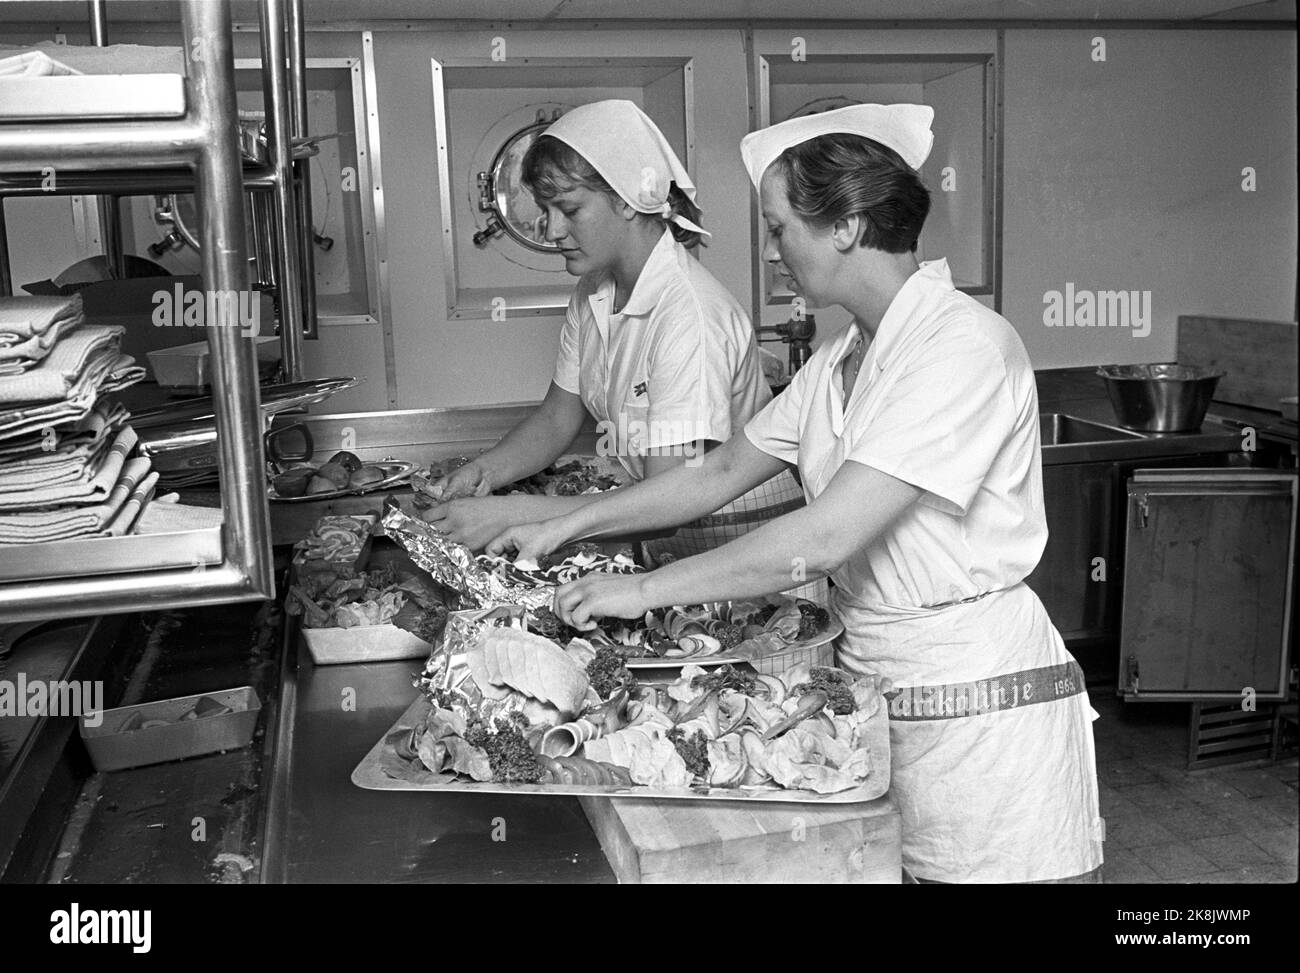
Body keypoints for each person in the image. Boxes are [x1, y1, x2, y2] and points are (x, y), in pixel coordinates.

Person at [487, 103, 1104, 884]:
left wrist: (642, 588)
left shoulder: (963, 348)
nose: (772, 254)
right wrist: (568, 527)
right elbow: (712, 475)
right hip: (877, 695)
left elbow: (828, 535)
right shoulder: (840, 359)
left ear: (844, 224)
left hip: (983, 720)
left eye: (779, 229)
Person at [423, 100, 812, 588]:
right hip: (665, 537)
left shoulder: (689, 314)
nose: (551, 230)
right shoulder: (592, 291)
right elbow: (556, 419)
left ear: (630, 199)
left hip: (742, 546)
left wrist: (512, 514)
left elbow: (669, 496)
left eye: (568, 209)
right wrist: (481, 475)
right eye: (545, 211)